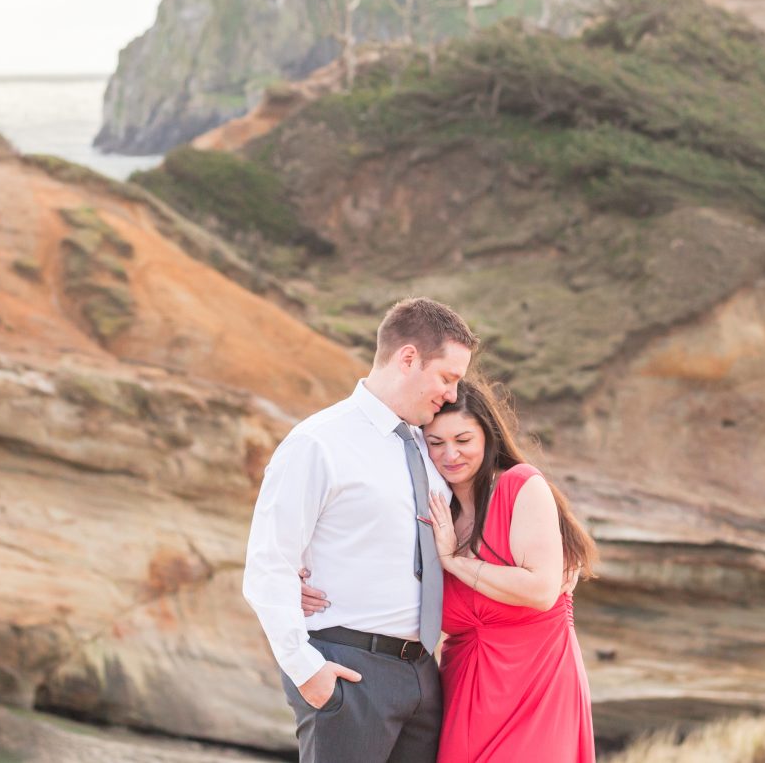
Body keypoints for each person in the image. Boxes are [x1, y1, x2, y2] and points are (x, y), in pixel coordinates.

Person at [303, 378, 598, 762]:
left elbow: (541, 591)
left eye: (463, 440)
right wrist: (299, 577)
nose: (450, 455)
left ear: (488, 437)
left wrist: (455, 563)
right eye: (436, 443)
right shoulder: (432, 514)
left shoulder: (520, 486)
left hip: (536, 683)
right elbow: (365, 557)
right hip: (463, 691)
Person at [243, 297, 478, 763]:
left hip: (422, 675)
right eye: (447, 378)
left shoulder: (431, 449)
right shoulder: (319, 442)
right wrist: (306, 671)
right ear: (408, 358)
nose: (452, 395)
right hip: (348, 670)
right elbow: (270, 561)